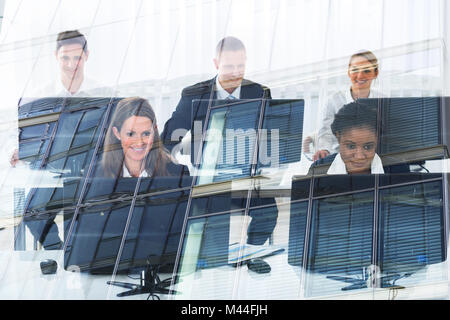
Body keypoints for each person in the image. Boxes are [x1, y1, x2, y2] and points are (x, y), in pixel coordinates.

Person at [160, 36, 271, 165]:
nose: (236, 73)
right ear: (216, 64)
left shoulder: (259, 93)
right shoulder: (194, 95)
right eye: (229, 67)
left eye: (240, 66)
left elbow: (271, 140)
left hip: (249, 171)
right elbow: (167, 142)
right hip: (205, 177)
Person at [313, 50, 381, 161]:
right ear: (349, 72)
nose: (360, 75)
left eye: (367, 71)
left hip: (371, 158)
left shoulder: (382, 100)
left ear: (375, 73)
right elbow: (326, 133)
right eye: (355, 70)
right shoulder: (334, 100)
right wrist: (325, 149)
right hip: (340, 159)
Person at [101, 97, 178, 178]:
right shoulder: (94, 176)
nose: (139, 143)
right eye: (130, 134)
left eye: (146, 133)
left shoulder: (177, 173)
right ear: (117, 133)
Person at [30, 29, 115, 98]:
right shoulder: (40, 96)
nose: (71, 65)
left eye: (77, 58)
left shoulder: (105, 94)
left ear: (87, 55)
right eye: (65, 58)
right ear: (56, 55)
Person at [309, 101, 384, 175]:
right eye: (351, 146)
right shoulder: (318, 169)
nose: (359, 157)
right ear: (338, 137)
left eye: (368, 147)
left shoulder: (393, 168)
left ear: (377, 140)